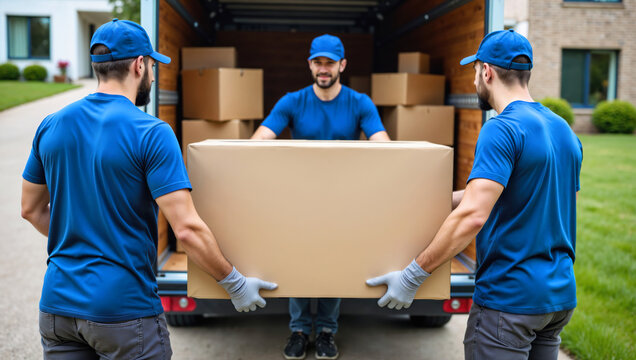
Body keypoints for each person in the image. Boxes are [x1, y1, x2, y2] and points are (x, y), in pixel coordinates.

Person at [21, 19, 276, 359]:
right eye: (153, 66)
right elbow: (185, 229)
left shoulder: (51, 125)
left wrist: (83, 237)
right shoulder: (150, 132)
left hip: (57, 308)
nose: (153, 76)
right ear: (140, 65)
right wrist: (234, 283)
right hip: (124, 311)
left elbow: (31, 209)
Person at [366, 29, 583, 360]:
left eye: (474, 72)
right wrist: (423, 200)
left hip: (509, 302)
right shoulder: (562, 129)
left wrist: (413, 276)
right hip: (556, 300)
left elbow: (473, 214)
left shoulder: (502, 128)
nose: (473, 83)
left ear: (487, 72)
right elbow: (537, 198)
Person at [252, 34, 389, 360]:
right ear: (310, 64)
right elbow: (257, 141)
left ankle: (327, 331)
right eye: (318, 62)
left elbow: (384, 146)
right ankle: (299, 330)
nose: (323, 69)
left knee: (333, 263)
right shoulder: (292, 102)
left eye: (330, 63)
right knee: (300, 262)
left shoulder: (359, 103)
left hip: (344, 200)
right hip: (301, 199)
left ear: (342, 64)